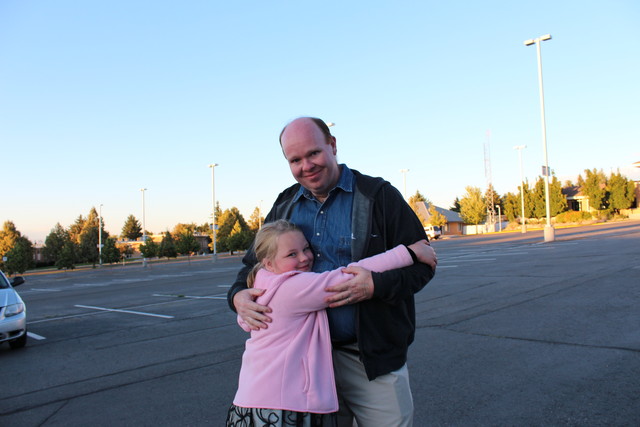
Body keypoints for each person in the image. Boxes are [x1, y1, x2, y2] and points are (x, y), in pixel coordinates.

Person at [228, 117, 437, 426]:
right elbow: (253, 264)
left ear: (333, 145)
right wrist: (237, 296)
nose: (306, 166)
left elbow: (422, 263)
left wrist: (375, 286)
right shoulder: (285, 205)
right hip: (306, 370)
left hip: (369, 361)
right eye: (295, 160)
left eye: (313, 153)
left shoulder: (379, 196)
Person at [226, 219, 436, 426]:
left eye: (306, 249)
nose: (304, 258)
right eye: (292, 254)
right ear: (268, 263)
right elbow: (349, 274)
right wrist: (410, 253)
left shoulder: (262, 288)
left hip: (253, 402)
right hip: (279, 408)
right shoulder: (291, 287)